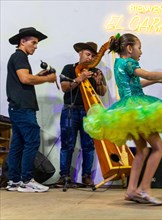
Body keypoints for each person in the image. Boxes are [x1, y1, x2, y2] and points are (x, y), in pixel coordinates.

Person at [83, 33, 162, 205]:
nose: (141, 52)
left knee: (142, 150)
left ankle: (132, 189)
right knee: (159, 147)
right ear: (130, 48)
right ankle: (144, 189)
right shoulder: (130, 62)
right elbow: (146, 74)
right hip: (136, 108)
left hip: (127, 108)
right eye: (139, 48)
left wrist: (159, 81)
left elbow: (136, 83)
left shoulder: (119, 63)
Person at [6, 27, 57, 192]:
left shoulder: (18, 57)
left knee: (18, 144)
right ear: (22, 41)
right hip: (23, 108)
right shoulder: (20, 56)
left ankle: (14, 180)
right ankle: (27, 180)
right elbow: (25, 78)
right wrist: (48, 78)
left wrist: (40, 76)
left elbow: (25, 78)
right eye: (33, 42)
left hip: (17, 107)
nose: (36, 46)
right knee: (32, 140)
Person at [57, 42, 107, 186]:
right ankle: (64, 176)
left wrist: (99, 83)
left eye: (92, 56)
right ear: (80, 53)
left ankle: (87, 177)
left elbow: (102, 92)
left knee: (89, 145)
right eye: (87, 54)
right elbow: (65, 88)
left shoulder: (96, 71)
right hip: (70, 110)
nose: (89, 58)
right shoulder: (69, 68)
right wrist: (80, 78)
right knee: (67, 145)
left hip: (88, 111)